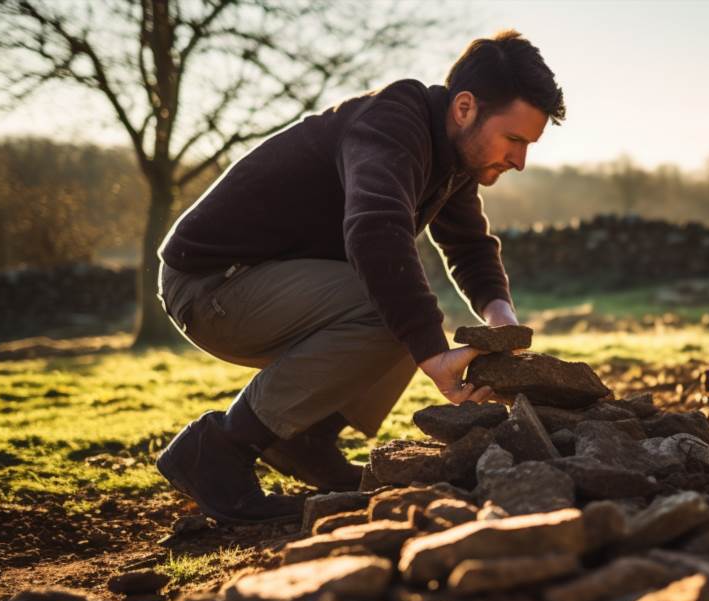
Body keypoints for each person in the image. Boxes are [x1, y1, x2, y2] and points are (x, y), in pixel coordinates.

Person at [152, 30, 565, 524]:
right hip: (211, 284)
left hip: (256, 281)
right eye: (514, 139)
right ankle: (218, 449)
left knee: (399, 303)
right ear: (464, 108)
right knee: (391, 306)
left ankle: (307, 437)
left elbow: (470, 246)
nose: (519, 161)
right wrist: (433, 355)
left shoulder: (453, 155)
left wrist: (503, 320)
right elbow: (375, 229)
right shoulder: (391, 124)